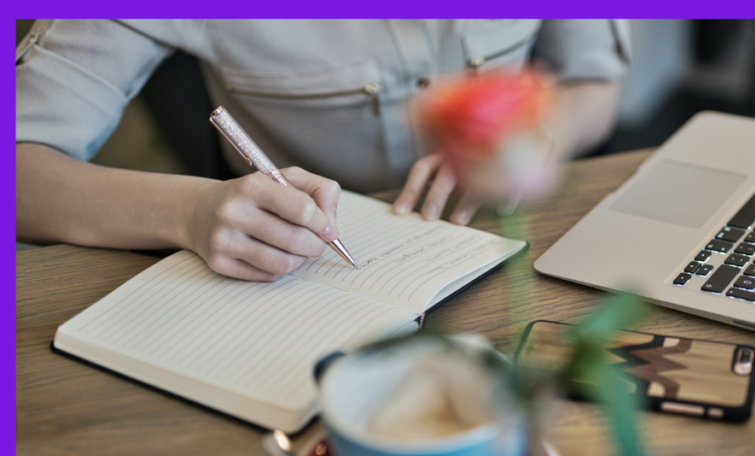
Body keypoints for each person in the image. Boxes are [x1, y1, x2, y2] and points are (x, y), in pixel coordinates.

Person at [16, 20, 630, 281]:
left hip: (510, 243)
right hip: (296, 274)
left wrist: (539, 139)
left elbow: (596, 84)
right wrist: (188, 211)